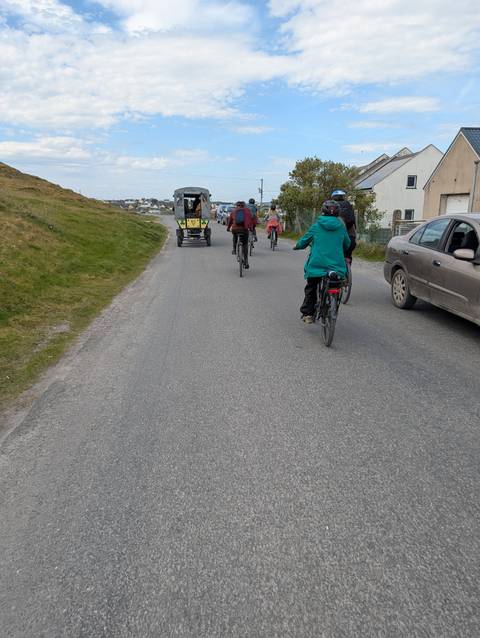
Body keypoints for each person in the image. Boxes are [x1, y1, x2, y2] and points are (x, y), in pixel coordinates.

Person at [293, 200, 351, 323]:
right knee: (336, 284)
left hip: (317, 265)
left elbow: (304, 241)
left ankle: (308, 314)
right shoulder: (341, 226)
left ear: (323, 211)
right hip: (336, 266)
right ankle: (333, 304)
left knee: (312, 286)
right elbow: (347, 244)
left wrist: (297, 246)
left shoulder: (317, 226)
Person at [331, 189, 356, 261]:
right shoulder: (349, 206)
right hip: (350, 237)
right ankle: (348, 268)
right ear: (343, 197)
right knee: (348, 256)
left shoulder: (330, 207)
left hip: (335, 238)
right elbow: (353, 222)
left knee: (332, 256)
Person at [227, 201, 254, 268]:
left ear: (236, 205)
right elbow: (250, 221)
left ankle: (234, 249)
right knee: (245, 244)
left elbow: (230, 221)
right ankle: (246, 262)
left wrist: (228, 228)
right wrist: (250, 228)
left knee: (234, 236)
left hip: (235, 229)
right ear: (244, 205)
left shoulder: (233, 211)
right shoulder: (247, 211)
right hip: (244, 230)